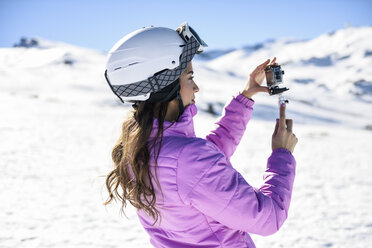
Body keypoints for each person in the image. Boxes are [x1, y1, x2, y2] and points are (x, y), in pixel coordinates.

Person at [103, 22, 298, 248]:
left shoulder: (137, 148)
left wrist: (245, 97)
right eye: (189, 77)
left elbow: (203, 162)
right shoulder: (187, 159)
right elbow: (268, 218)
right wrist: (281, 155)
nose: (195, 88)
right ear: (165, 86)